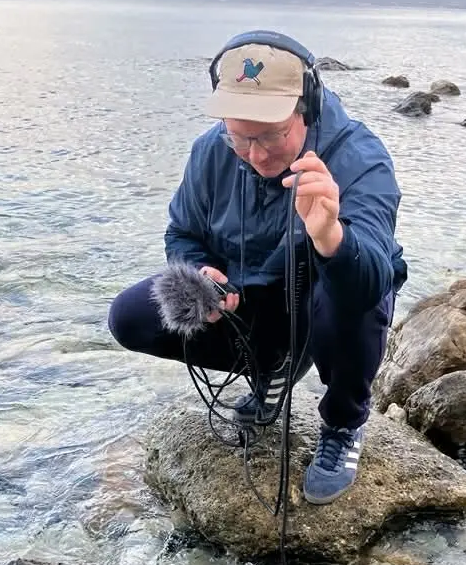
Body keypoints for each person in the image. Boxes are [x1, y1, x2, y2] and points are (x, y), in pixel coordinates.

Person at [108, 30, 407, 504]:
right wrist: (201, 275)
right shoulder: (211, 151)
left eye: (273, 136)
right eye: (241, 138)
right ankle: (269, 372)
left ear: (306, 107)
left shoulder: (360, 159)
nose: (258, 154)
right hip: (250, 302)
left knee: (349, 295)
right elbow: (182, 234)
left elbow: (370, 282)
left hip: (325, 306)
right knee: (129, 317)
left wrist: (331, 236)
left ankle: (344, 424)